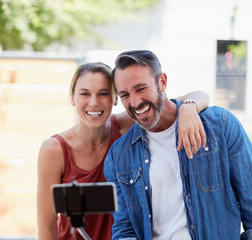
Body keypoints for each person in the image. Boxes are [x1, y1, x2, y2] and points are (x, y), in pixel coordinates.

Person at [37, 61, 210, 240]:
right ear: (72, 98)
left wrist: (189, 109)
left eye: (103, 94)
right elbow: (46, 228)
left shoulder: (126, 129)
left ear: (115, 98)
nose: (94, 102)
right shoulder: (54, 150)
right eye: (84, 94)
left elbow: (197, 96)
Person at [104, 50, 252, 240]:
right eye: (125, 95)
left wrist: (189, 107)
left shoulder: (220, 126)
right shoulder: (119, 156)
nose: (135, 102)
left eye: (141, 89)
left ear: (162, 82)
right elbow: (124, 229)